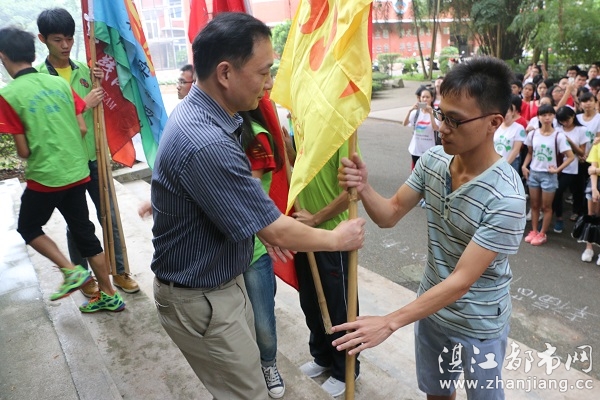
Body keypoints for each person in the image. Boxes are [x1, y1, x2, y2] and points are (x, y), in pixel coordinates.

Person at [150, 13, 365, 400]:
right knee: (248, 392)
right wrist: (338, 239)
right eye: (264, 72)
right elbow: (277, 229)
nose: (270, 84)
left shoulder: (208, 116)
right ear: (225, 73)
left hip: (216, 284)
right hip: (202, 295)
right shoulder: (206, 140)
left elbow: (237, 201)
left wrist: (255, 222)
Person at [331, 56, 526, 400]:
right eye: (440, 114)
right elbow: (390, 214)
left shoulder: (506, 197)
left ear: (494, 122)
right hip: (431, 310)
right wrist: (363, 186)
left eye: (455, 120)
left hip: (479, 323)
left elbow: (462, 280)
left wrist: (390, 321)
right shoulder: (433, 161)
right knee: (437, 393)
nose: (442, 128)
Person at [0, 27, 125, 313]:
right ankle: (110, 294)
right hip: (77, 171)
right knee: (85, 233)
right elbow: (81, 127)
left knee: (29, 227)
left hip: (47, 177)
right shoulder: (58, 84)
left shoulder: (8, 95)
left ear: (3, 56)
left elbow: (24, 151)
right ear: (33, 52)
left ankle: (71, 271)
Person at [36, 8, 140, 296]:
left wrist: (99, 84)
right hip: (68, 163)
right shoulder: (40, 80)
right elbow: (50, 124)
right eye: (58, 40)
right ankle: (84, 277)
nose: (65, 45)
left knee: (110, 215)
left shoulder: (85, 71)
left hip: (95, 158)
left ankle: (119, 270)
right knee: (78, 222)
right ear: (42, 39)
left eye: (69, 39)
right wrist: (84, 104)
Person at [292, 140, 358, 398]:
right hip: (304, 234)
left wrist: (316, 218)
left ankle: (345, 370)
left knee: (339, 309)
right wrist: (289, 150)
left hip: (334, 237)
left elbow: (352, 191)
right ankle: (322, 357)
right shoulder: (301, 132)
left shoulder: (340, 135)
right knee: (310, 302)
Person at [239, 107, 286, 398]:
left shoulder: (256, 138)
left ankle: (268, 365)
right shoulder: (211, 129)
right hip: (222, 250)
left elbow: (248, 195)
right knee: (234, 319)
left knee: (262, 322)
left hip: (254, 249)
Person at [522, 104, 575, 245]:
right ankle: (534, 231)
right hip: (534, 172)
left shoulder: (558, 136)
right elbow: (530, 152)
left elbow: (570, 156)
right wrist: (524, 166)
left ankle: (542, 233)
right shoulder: (533, 134)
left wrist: (557, 170)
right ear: (538, 117)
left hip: (549, 175)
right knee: (534, 205)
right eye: (544, 115)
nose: (547, 118)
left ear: (554, 117)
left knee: (546, 207)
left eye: (550, 115)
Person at [551, 106, 589, 234]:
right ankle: (558, 216)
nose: (565, 123)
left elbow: (582, 152)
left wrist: (569, 141)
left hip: (573, 165)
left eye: (567, 120)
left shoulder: (581, 130)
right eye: (561, 121)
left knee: (576, 190)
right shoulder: (557, 129)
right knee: (557, 191)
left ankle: (576, 211)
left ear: (573, 116)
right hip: (557, 164)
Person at [493, 94, 526, 172]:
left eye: (506, 112)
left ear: (512, 112)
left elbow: (516, 150)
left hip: (511, 164)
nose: (504, 115)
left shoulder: (519, 128)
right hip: (495, 163)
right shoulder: (496, 127)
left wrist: (505, 164)